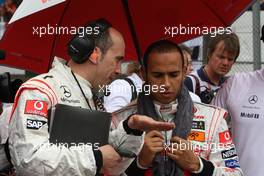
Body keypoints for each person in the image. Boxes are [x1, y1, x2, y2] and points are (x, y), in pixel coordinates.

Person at [7, 19, 175, 176]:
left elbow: (106, 153)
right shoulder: (40, 91)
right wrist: (96, 158)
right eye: (117, 60)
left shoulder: (90, 95)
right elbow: (29, 159)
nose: (118, 70)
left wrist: (130, 128)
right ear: (95, 54)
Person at [114, 40, 243, 175]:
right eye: (158, 75)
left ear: (184, 71)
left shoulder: (212, 119)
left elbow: (235, 173)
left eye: (173, 74)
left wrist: (199, 165)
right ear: (144, 74)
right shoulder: (122, 121)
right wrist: (139, 164)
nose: (166, 83)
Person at [184, 32, 240, 104]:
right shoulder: (190, 82)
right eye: (221, 57)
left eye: (230, 59)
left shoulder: (229, 85)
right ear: (209, 54)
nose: (225, 63)